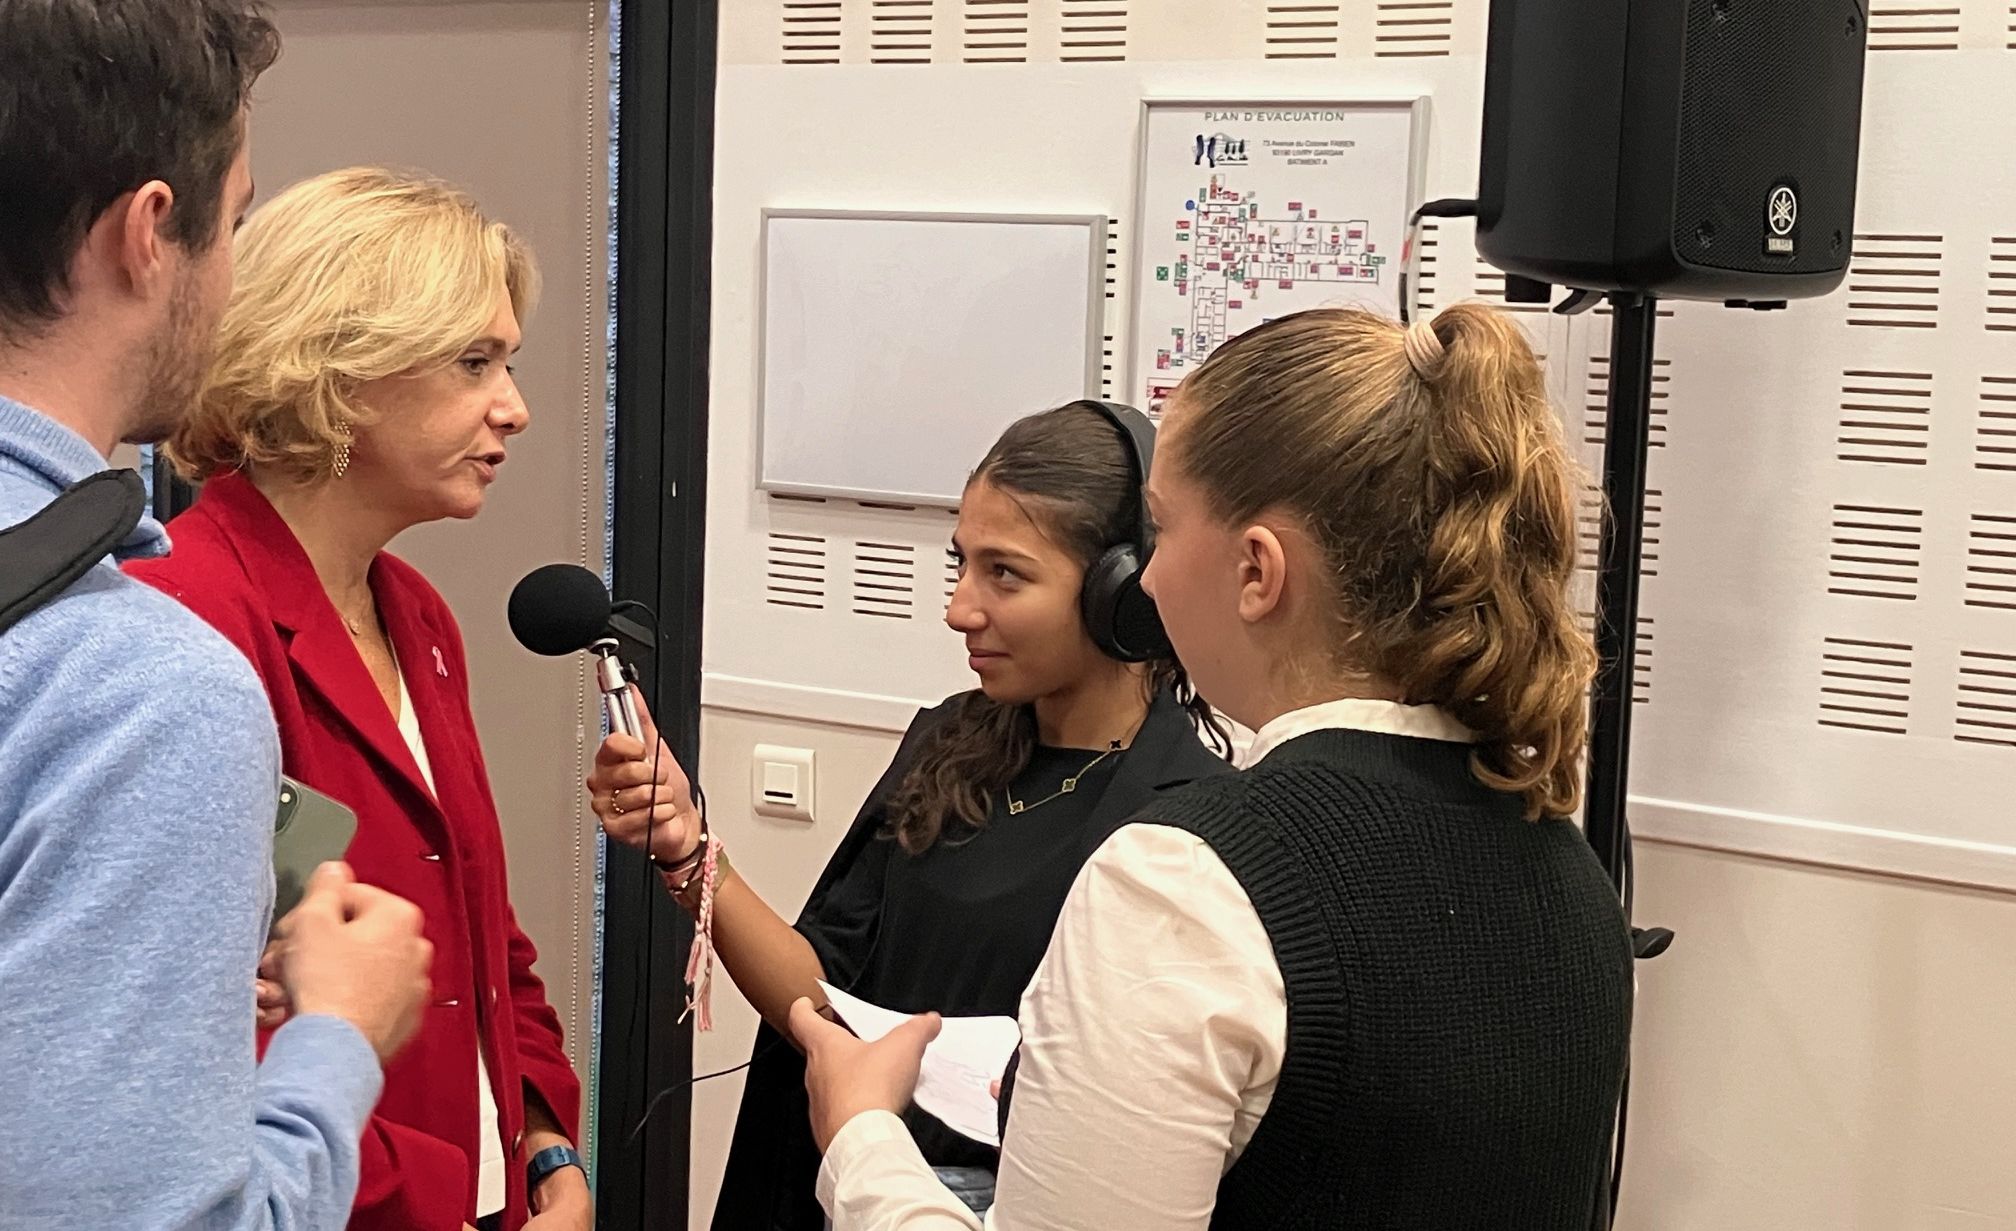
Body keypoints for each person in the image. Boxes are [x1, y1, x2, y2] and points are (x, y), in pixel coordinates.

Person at [792, 304, 1638, 1230]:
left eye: (1161, 528)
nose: (1146, 580)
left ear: (1257, 571)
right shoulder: (1572, 878)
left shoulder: (1183, 886)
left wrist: (863, 1136)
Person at [0, 3, 437, 1228]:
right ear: (150, 233)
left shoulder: (423, 624)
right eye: (235, 219)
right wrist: (340, 1036)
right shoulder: (136, 687)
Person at [587, 401, 1233, 1228]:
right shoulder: (948, 741)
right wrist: (687, 849)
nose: (961, 608)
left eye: (1006, 573)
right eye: (962, 564)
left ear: (1121, 592)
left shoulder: (1183, 820)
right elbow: (820, 997)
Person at [128, 168, 587, 1231]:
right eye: (475, 363)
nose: (513, 408)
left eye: (507, 362)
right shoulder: (183, 620)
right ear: (338, 368)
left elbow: (482, 929)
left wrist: (544, 1137)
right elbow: (191, 1037)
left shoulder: (416, 615)